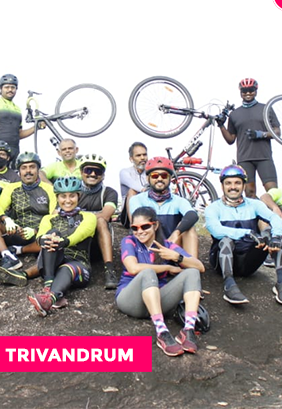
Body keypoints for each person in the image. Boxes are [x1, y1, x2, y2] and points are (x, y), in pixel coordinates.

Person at [116, 206, 206, 357]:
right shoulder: (129, 241)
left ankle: (188, 329)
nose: (139, 231)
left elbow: (200, 267)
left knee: (192, 272)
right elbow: (133, 268)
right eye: (135, 228)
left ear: (155, 225)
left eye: (145, 226)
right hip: (130, 300)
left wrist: (176, 257)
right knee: (147, 272)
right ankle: (162, 331)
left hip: (157, 301)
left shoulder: (167, 246)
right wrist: (167, 267)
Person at [204, 165, 282, 306]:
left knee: (273, 235)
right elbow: (216, 230)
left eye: (237, 183)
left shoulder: (254, 204)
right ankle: (229, 284)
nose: (233, 187)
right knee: (226, 240)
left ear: (244, 185)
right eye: (228, 183)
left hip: (248, 262)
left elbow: (274, 218)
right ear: (222, 186)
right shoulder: (213, 207)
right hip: (222, 261)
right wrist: (247, 233)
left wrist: (276, 236)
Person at [27, 176, 95, 316]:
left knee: (67, 268)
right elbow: (40, 236)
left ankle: (49, 298)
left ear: (78, 196)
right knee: (52, 234)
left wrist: (65, 242)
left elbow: (82, 233)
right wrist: (45, 240)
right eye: (63, 196)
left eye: (72, 196)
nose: (68, 200)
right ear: (57, 197)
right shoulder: (49, 219)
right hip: (53, 264)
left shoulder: (88, 217)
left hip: (79, 266)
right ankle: (48, 290)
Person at [0, 152, 56, 286]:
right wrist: (6, 219)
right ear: (19, 171)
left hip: (38, 234)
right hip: (16, 230)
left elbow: (54, 215)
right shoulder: (12, 188)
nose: (28, 171)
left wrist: (36, 230)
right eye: (24, 168)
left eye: (32, 167)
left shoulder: (49, 189)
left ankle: (17, 250)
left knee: (53, 237)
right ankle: (7, 255)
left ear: (38, 169)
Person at [218, 78, 280, 198]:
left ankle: (271, 210)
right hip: (244, 158)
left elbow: (277, 132)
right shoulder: (234, 114)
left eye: (251, 90)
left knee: (273, 192)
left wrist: (261, 134)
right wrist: (221, 126)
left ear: (256, 91)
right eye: (244, 91)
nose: (247, 93)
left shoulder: (265, 109)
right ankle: (257, 211)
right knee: (249, 193)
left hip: (264, 156)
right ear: (240, 92)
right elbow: (230, 139)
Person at [128, 157, 200, 258]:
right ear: (148, 178)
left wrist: (176, 233)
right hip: (147, 247)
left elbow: (192, 215)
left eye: (164, 175)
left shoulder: (179, 201)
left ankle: (192, 265)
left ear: (170, 178)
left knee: (189, 228)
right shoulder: (137, 199)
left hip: (172, 247)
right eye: (154, 176)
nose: (159, 179)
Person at [77, 153, 120, 289]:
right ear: (81, 172)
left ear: (103, 175)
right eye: (88, 170)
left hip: (97, 245)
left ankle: (109, 270)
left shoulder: (109, 192)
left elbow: (106, 215)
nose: (93, 174)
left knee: (101, 221)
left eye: (98, 171)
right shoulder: (72, 191)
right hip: (75, 242)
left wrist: (78, 217)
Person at [0, 74, 35, 163]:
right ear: (1, 88)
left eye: (13, 87)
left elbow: (19, 134)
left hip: (15, 149)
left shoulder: (17, 109)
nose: (10, 90)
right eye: (7, 87)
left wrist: (36, 127)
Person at [118, 142, 148, 228]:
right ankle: (134, 226)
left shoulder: (151, 172)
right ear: (131, 159)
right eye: (138, 155)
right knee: (132, 191)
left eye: (144, 155)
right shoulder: (124, 172)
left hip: (148, 210)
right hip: (128, 215)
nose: (142, 158)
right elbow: (137, 187)